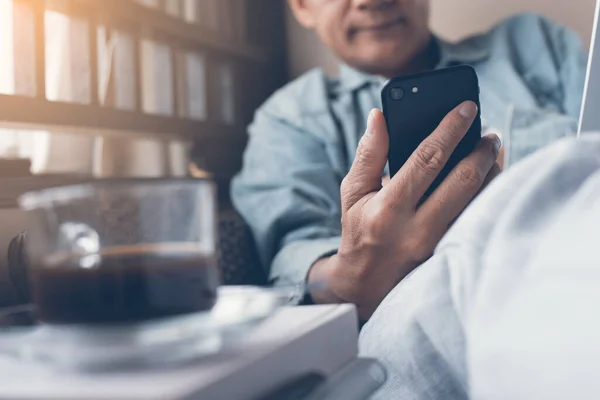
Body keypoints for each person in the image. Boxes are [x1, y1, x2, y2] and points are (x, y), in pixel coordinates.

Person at [232, 0, 586, 320]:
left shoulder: (535, 47)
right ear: (302, 7)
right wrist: (347, 280)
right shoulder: (291, 117)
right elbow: (294, 248)